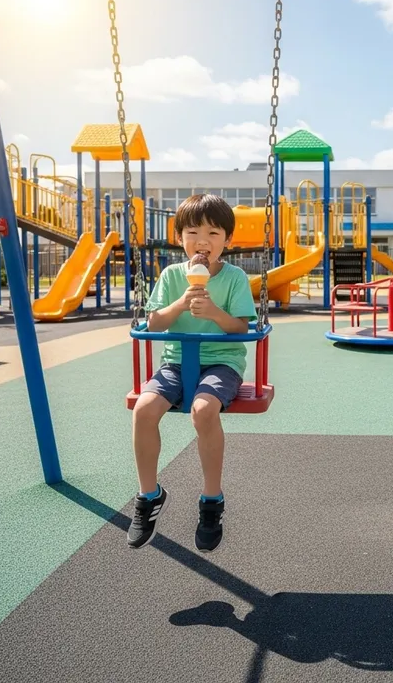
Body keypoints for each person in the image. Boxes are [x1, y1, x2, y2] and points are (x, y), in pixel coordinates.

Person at [127, 194, 257, 553]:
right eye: (193, 232)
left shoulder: (234, 278)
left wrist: (214, 312)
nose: (203, 241)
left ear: (227, 241)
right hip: (175, 361)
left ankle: (211, 500)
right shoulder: (171, 276)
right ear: (179, 238)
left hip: (222, 362)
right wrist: (180, 303)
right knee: (144, 410)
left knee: (203, 410)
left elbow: (240, 328)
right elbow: (154, 321)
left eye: (214, 233)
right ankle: (149, 496)